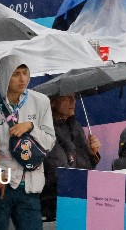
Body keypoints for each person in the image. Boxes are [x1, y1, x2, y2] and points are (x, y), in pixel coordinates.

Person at [0, 55, 55, 230]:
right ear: (5, 76)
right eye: (16, 74)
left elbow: (49, 142)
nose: (22, 79)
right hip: (2, 184)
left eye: (25, 73)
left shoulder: (41, 101)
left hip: (30, 186)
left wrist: (31, 127)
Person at [40, 94, 100, 222]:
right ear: (52, 102)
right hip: (57, 200)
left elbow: (86, 166)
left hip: (79, 193)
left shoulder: (75, 126)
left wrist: (92, 154)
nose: (73, 101)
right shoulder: (47, 130)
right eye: (67, 97)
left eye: (74, 97)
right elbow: (58, 170)